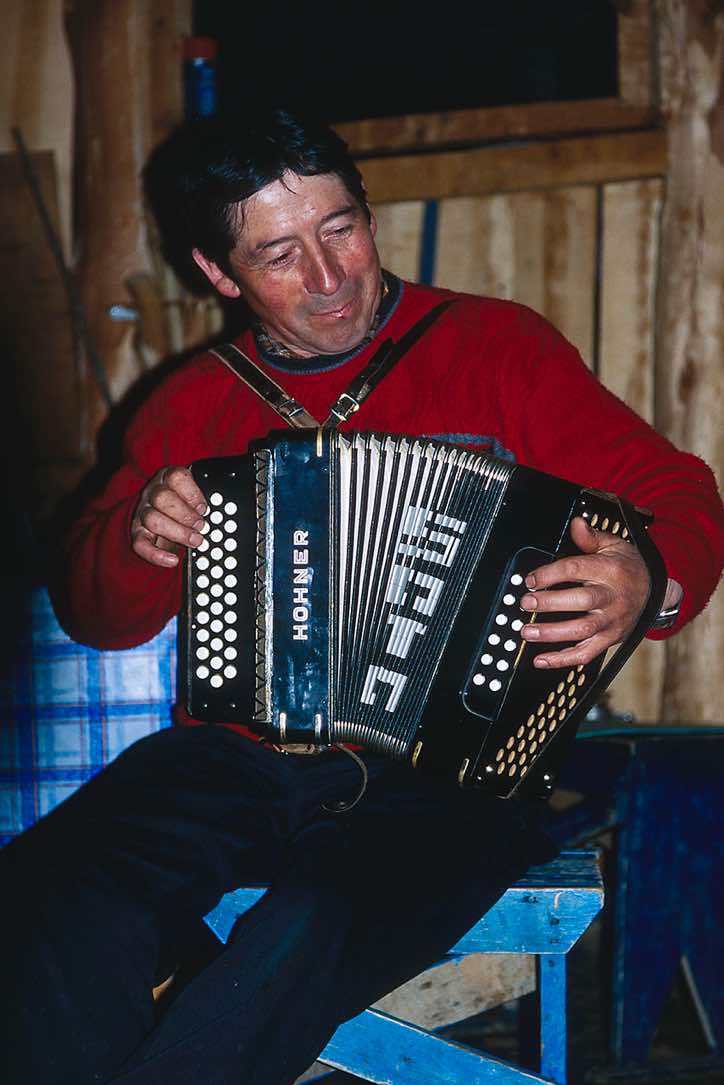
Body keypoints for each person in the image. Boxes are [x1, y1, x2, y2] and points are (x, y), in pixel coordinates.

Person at [2, 110, 722, 1085]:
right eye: (279, 253)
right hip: (242, 755)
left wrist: (647, 577)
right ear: (219, 275)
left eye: (340, 227)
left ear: (367, 212)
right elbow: (101, 615)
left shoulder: (494, 346)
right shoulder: (187, 403)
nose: (329, 275)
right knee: (54, 886)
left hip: (455, 772)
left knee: (312, 917)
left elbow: (672, 489)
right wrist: (136, 538)